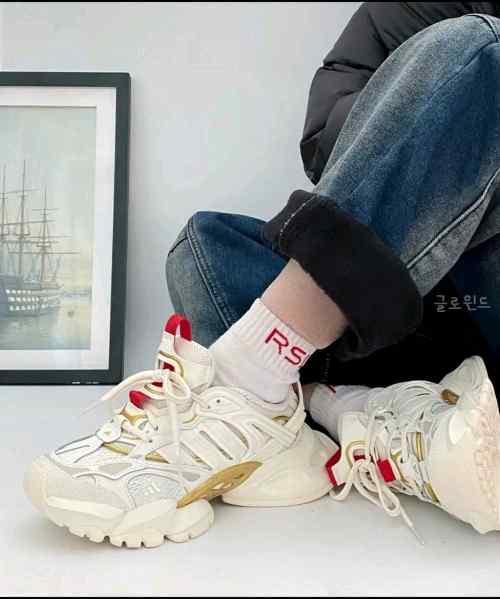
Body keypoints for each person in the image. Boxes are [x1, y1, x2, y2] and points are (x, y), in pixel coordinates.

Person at [25, 3, 500, 546]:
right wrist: (448, 137)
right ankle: (361, 414)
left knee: (482, 53)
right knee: (206, 247)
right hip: (396, 304)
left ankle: (253, 386)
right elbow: (325, 138)